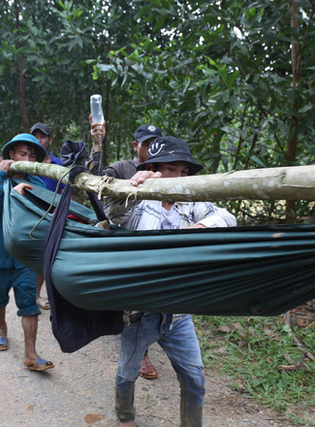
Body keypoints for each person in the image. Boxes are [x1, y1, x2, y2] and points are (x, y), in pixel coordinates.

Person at [105, 136, 237, 427]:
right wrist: (136, 187)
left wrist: (201, 226)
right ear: (153, 168)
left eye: (184, 171)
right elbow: (113, 212)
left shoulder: (191, 203)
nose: (179, 178)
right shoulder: (138, 202)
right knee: (127, 373)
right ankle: (125, 418)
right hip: (139, 315)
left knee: (194, 377)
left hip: (178, 313)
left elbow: (228, 218)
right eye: (171, 170)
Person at [87, 119, 162, 380]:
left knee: (143, 292)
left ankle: (141, 351)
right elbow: (95, 179)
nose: (152, 148)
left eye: (157, 144)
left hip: (151, 241)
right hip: (120, 237)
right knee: (124, 289)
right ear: (135, 145)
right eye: (147, 144)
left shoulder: (164, 168)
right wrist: (97, 144)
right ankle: (129, 344)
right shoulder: (122, 167)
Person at [0, 133, 54, 371]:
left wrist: (26, 193)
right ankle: (1, 327)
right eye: (23, 154)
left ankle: (30, 353)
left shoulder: (38, 183)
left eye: (32, 155)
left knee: (29, 303)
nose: (27, 158)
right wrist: (4, 178)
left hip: (24, 255)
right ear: (11, 154)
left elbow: (42, 212)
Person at [29, 122, 64, 310]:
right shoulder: (27, 164)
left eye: (43, 137)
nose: (39, 141)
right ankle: (33, 294)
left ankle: (51, 294)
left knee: (50, 258)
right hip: (32, 216)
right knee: (34, 257)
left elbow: (68, 193)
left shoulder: (59, 165)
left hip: (55, 217)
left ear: (50, 140)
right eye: (35, 137)